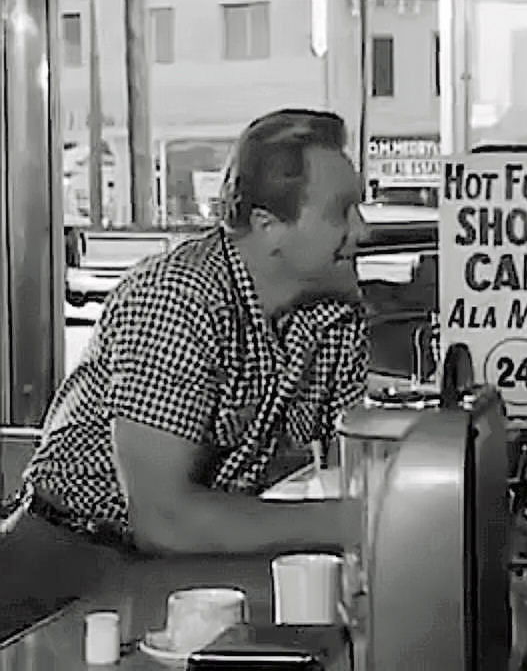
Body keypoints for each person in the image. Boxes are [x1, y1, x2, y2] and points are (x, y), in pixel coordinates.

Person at [0, 109, 369, 638]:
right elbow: (162, 518)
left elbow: (344, 468)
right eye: (341, 212)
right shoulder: (180, 297)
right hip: (66, 558)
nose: (363, 230)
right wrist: (354, 520)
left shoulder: (333, 311)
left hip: (185, 562)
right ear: (268, 226)